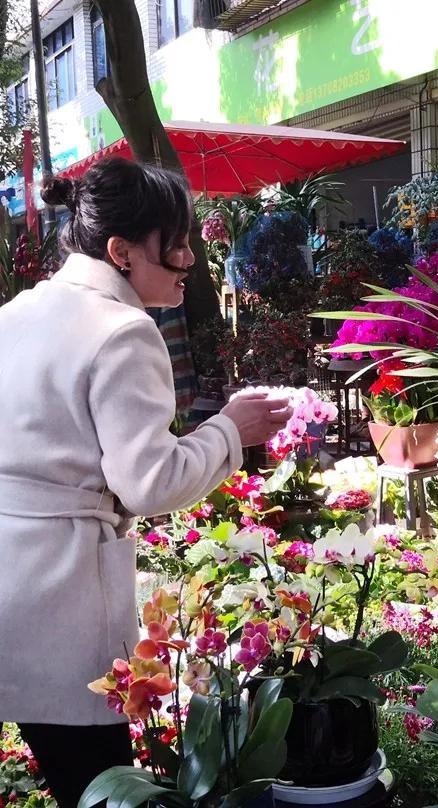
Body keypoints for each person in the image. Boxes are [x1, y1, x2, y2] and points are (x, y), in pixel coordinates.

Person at [0, 158, 292, 806]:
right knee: (102, 789)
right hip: (63, 599)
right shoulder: (123, 329)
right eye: (177, 244)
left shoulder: (19, 313)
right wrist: (230, 430)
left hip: (9, 587)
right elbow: (149, 484)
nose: (190, 259)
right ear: (121, 252)